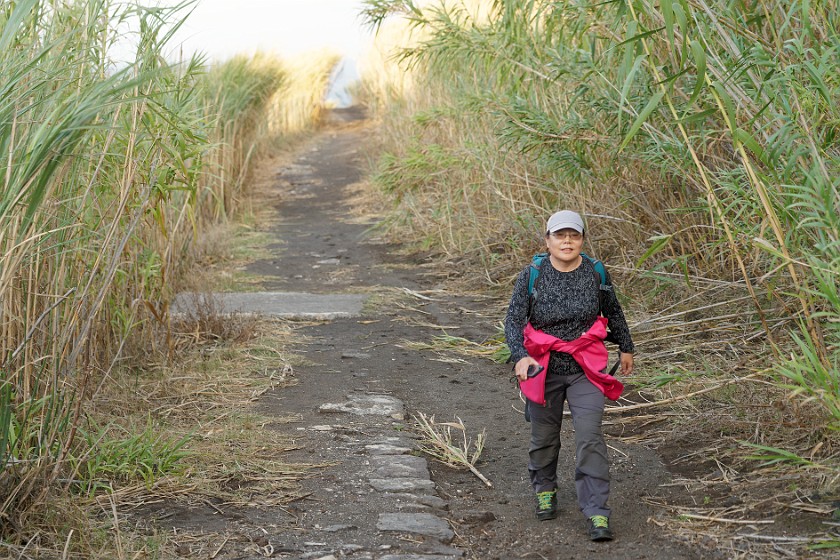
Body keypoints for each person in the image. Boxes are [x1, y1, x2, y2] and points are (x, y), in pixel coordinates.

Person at [504, 209, 635, 542]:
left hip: (585, 369)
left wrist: (626, 346)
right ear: (547, 239)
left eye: (573, 235)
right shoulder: (531, 275)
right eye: (559, 235)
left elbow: (613, 311)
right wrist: (519, 357)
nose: (566, 241)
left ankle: (596, 512)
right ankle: (544, 487)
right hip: (542, 368)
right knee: (544, 437)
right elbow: (514, 321)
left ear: (582, 240)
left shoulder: (595, 272)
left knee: (590, 437)